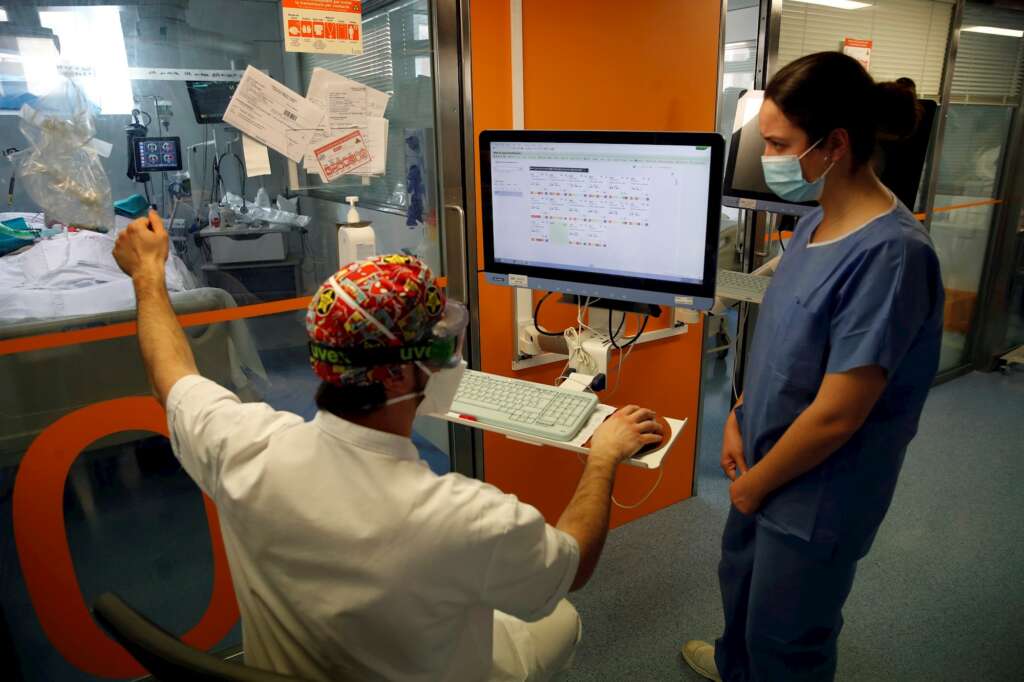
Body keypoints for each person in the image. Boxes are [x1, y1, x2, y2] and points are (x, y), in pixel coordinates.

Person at [113, 216, 663, 682]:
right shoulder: (465, 516)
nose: (452, 355)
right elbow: (574, 565)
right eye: (442, 340)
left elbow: (172, 374)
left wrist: (147, 275)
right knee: (559, 617)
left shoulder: (243, 445)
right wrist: (602, 457)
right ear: (400, 376)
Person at [681, 51, 944, 681]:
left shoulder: (893, 257)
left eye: (778, 143)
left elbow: (836, 417)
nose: (767, 157)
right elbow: (779, 343)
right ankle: (733, 666)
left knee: (787, 638)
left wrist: (755, 483)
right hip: (764, 461)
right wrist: (740, 416)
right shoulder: (815, 222)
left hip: (816, 494)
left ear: (835, 143)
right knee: (741, 598)